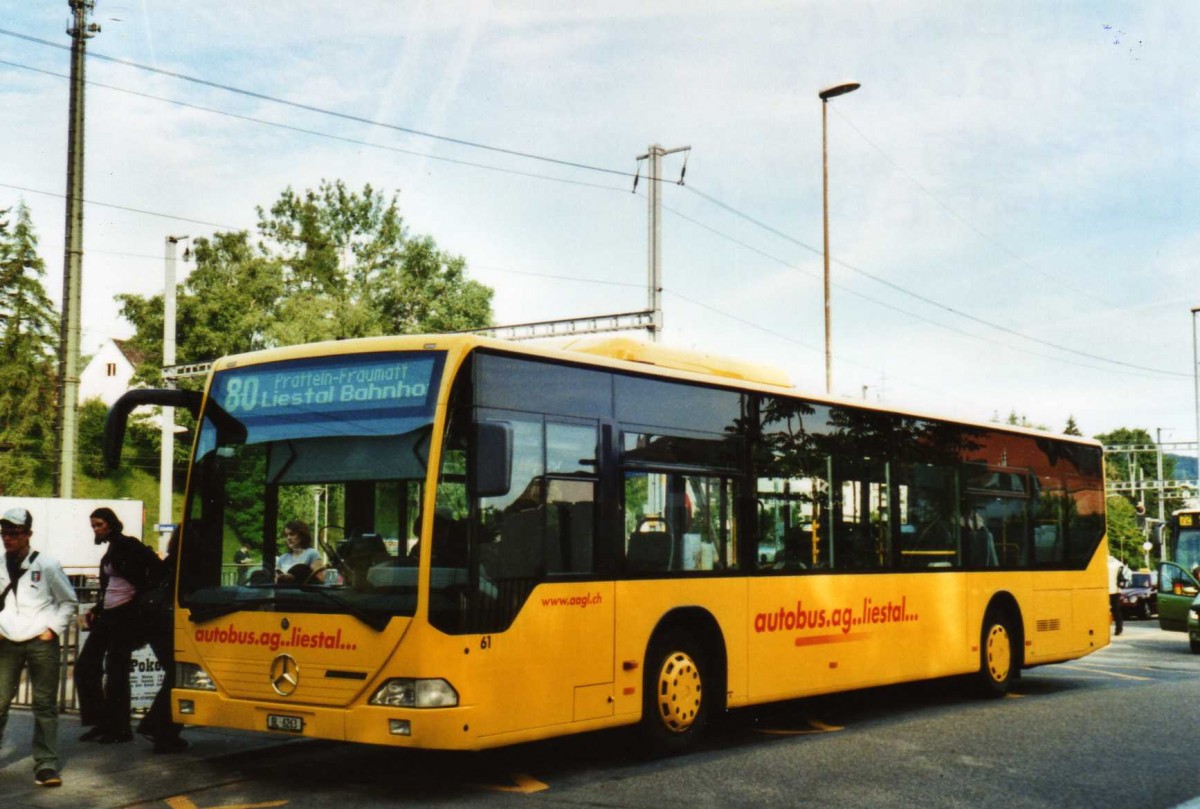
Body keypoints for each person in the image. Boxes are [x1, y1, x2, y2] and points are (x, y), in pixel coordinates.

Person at [0, 506, 77, 787]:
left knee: (44, 705)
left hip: (41, 643)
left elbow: (69, 601)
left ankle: (46, 765)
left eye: (14, 533)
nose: (8, 539)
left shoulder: (47, 565)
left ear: (28, 534)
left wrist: (52, 630)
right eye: (4, 533)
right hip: (7, 641)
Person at [75, 507, 166, 745]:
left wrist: (139, 602)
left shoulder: (129, 545)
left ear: (111, 524)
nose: (96, 529)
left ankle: (119, 728)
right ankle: (102, 722)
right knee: (86, 666)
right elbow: (111, 588)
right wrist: (97, 609)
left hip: (126, 616)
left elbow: (155, 570)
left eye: (99, 525)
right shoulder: (112, 549)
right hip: (109, 614)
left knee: (116, 670)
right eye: (93, 526)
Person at [137, 529, 187, 753]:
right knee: (178, 674)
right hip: (167, 621)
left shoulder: (168, 560)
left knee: (174, 674)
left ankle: (159, 728)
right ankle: (161, 729)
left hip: (153, 620)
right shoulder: (188, 562)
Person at [1107, 554, 1128, 636]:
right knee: (1117, 610)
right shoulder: (1119, 563)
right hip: (1116, 590)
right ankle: (1119, 628)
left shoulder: (1102, 563)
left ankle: (1105, 627)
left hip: (1105, 589)